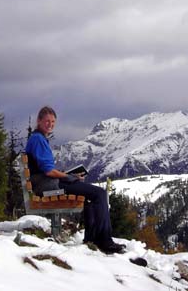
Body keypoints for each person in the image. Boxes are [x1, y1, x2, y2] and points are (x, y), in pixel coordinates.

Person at [25, 106, 126, 254]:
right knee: (99, 193)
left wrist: (69, 176)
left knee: (91, 194)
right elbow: (48, 170)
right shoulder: (38, 140)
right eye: (47, 121)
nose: (50, 124)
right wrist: (68, 176)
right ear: (39, 121)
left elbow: (45, 170)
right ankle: (104, 240)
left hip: (45, 184)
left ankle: (93, 238)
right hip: (48, 187)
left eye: (53, 121)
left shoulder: (37, 138)